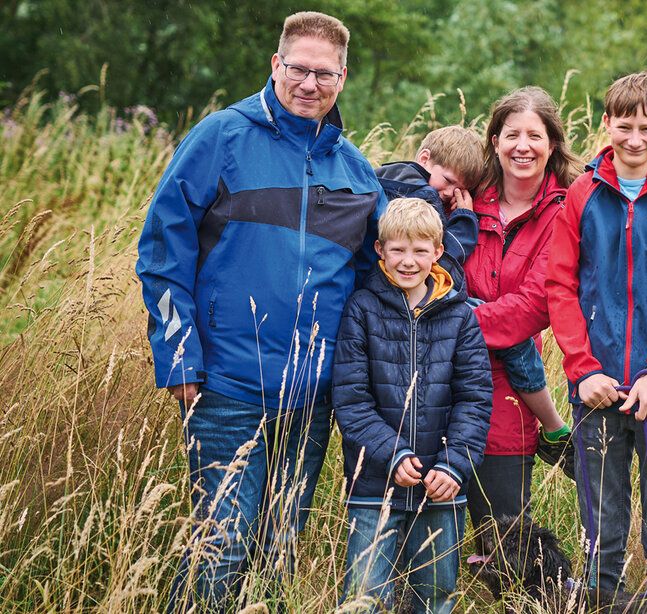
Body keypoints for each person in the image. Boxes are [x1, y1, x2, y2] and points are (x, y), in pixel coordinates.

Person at [135, 11, 386, 611]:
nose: (309, 84)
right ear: (276, 65)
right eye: (298, 68)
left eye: (323, 74)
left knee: (278, 551)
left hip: (311, 397)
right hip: (226, 387)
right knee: (220, 547)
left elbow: (384, 273)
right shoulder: (222, 136)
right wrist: (179, 361)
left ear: (342, 79)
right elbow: (162, 249)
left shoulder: (355, 172)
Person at [546, 71, 647, 607]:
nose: (635, 139)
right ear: (606, 124)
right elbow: (561, 287)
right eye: (624, 126)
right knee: (602, 516)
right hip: (597, 389)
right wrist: (583, 369)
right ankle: (602, 600)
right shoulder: (581, 196)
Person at [333, 197, 492, 613]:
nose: (408, 261)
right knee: (365, 599)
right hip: (374, 488)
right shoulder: (361, 310)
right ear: (380, 251)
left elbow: (474, 399)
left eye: (420, 250)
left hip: (441, 489)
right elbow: (351, 401)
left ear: (437, 252)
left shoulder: (459, 317)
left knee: (436, 598)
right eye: (398, 250)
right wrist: (393, 453)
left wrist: (454, 463)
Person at [462, 86, 582, 531]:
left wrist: (453, 321)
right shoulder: (466, 199)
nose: (523, 147)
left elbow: (535, 305)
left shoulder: (567, 211)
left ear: (552, 144)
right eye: (512, 135)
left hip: (508, 396)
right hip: (440, 386)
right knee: (434, 551)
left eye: (535, 136)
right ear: (495, 141)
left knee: (505, 543)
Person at [375, 125, 484, 264]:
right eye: (448, 180)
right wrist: (465, 219)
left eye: (460, 190)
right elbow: (443, 259)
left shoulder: (387, 174)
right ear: (424, 158)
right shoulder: (426, 197)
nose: (450, 193)